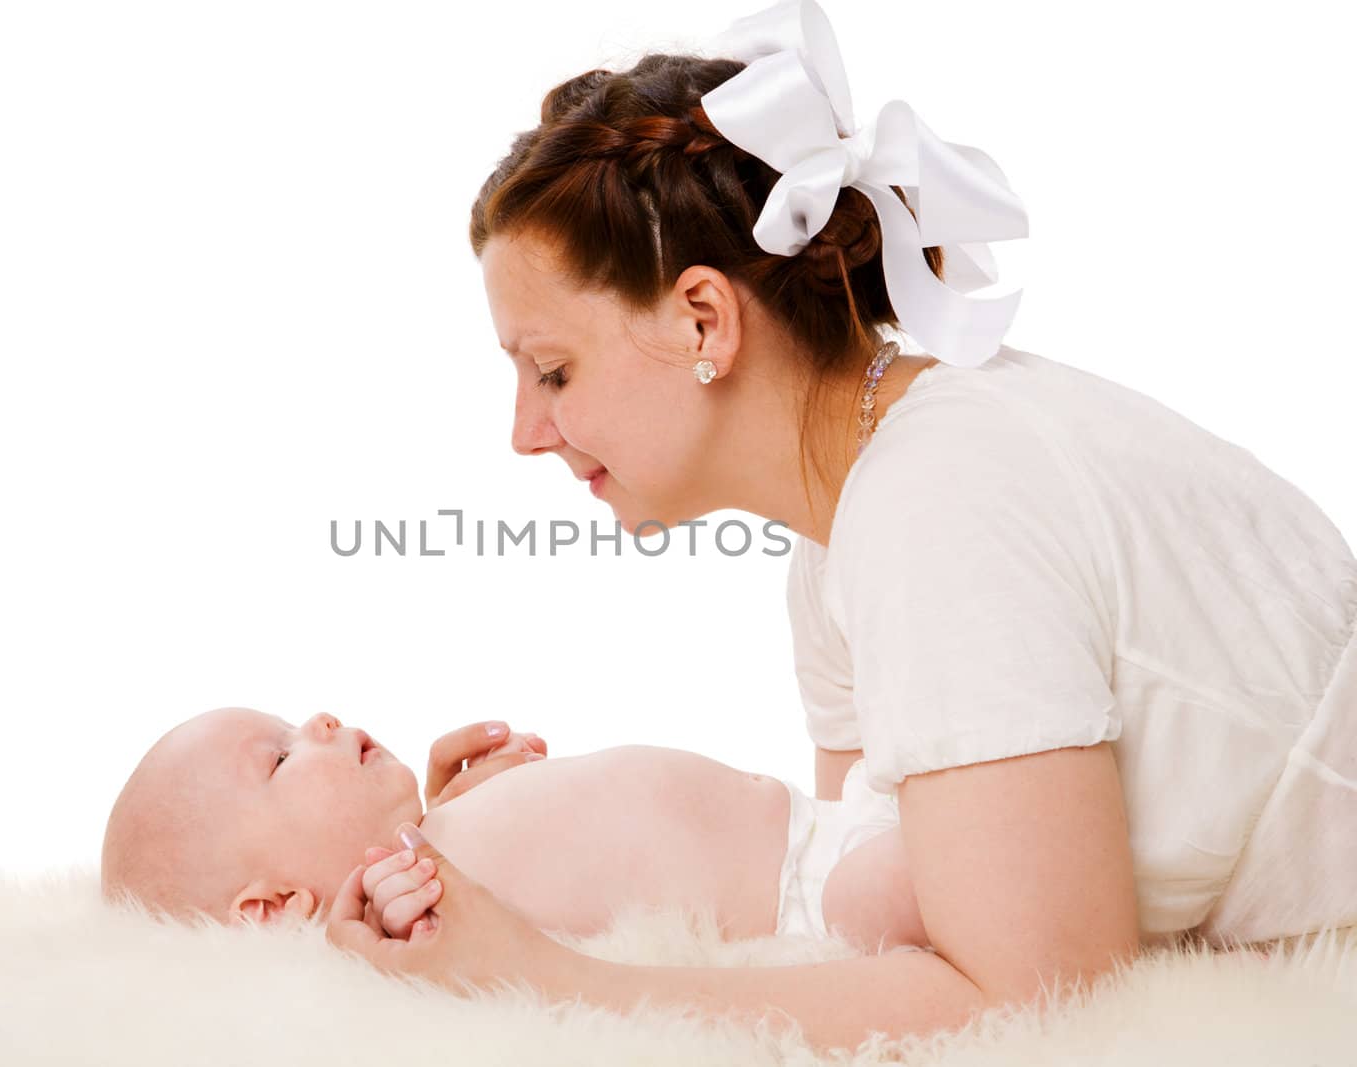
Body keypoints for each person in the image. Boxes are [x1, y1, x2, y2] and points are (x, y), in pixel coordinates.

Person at [321, 0, 1357, 1053]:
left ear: (702, 320)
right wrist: (516, 844)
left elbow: (1032, 1011)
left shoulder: (940, 503)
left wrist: (539, 973)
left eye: (552, 370)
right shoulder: (850, 516)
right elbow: (855, 895)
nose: (525, 432)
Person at [100, 707, 925, 956]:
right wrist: (408, 899)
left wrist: (453, 809)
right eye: (279, 758)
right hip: (818, 902)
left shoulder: (428, 838)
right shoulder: (388, 927)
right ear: (273, 908)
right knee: (969, 871)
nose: (317, 719)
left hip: (830, 821)